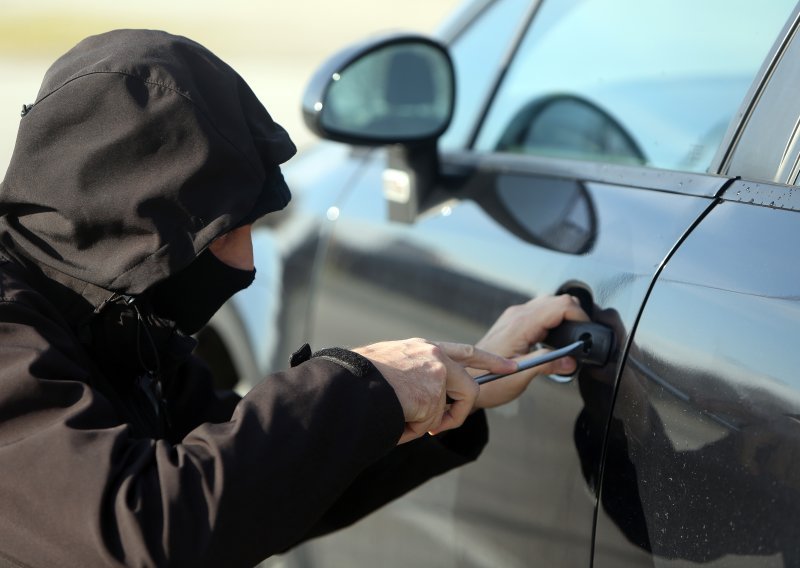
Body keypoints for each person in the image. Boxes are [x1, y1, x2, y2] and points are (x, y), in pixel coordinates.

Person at [0, 29, 587, 567]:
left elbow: (239, 489)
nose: (247, 264)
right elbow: (148, 531)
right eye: (223, 230)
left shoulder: (111, 323)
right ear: (126, 219)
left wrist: (452, 383)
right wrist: (358, 384)